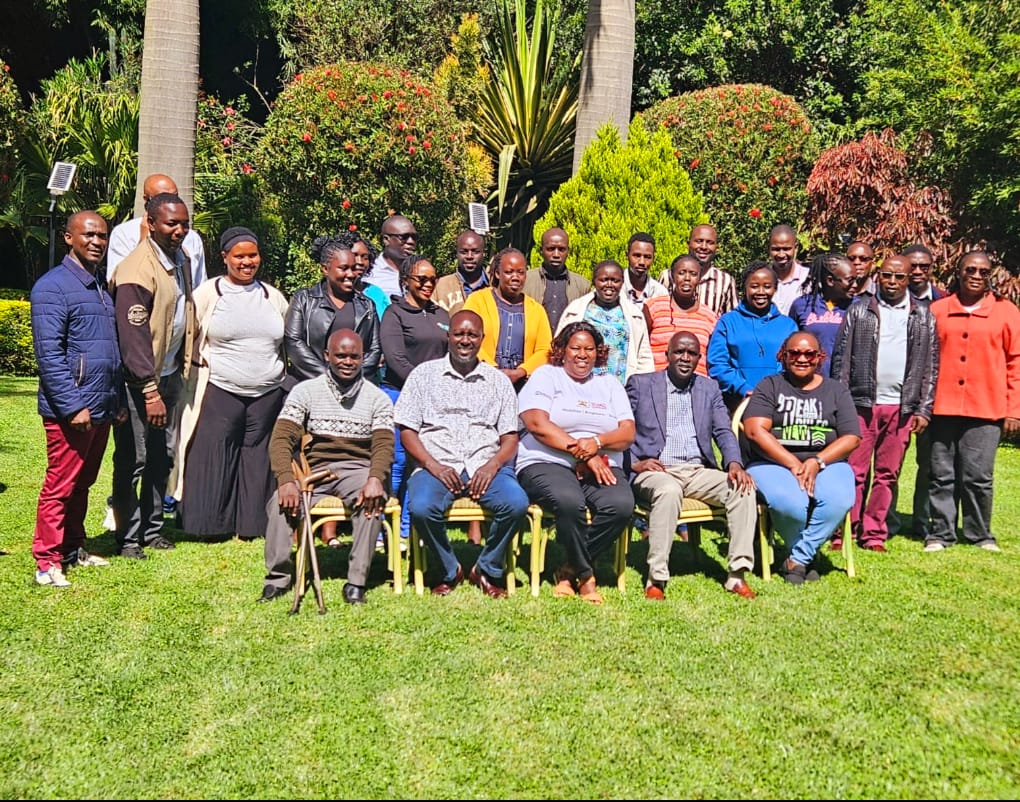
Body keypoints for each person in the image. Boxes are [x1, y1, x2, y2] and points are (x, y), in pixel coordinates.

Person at [394, 310, 530, 599]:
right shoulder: (423, 375)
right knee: (420, 507)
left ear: (482, 338)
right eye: (459, 334)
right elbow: (406, 430)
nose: (465, 340)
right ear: (448, 335)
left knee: (516, 503)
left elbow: (510, 437)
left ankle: (488, 568)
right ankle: (448, 568)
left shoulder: (498, 381)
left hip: (485, 463)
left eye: (472, 335)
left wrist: (493, 466)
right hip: (437, 463)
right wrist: (432, 465)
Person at [260, 329, 394, 605]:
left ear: (363, 358)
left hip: (358, 468)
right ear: (327, 356)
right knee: (279, 502)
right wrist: (286, 479)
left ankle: (356, 582)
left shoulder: (377, 397)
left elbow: (383, 446)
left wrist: (375, 478)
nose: (347, 362)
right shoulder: (306, 391)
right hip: (315, 470)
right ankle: (278, 578)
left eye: (354, 356)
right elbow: (281, 438)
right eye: (341, 355)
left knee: (371, 501)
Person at [172, 227, 289, 541]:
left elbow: (285, 342)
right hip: (219, 389)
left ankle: (253, 525)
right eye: (239, 256)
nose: (247, 262)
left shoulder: (272, 296)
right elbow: (188, 337)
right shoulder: (208, 294)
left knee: (257, 457)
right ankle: (209, 525)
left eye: (252, 255)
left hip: (267, 392)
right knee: (213, 454)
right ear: (225, 258)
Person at [30, 211, 125, 586]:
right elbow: (49, 355)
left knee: (83, 483)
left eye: (102, 235)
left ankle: (72, 548)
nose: (97, 241)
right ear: (69, 238)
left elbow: (108, 349)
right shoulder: (52, 287)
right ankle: (46, 561)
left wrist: (113, 401)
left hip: (100, 406)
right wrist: (72, 406)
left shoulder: (99, 285)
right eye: (88, 235)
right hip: (71, 410)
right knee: (60, 484)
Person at [626, 331, 758, 600]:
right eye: (679, 352)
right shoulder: (641, 384)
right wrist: (635, 463)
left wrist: (733, 463)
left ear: (699, 358)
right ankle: (657, 578)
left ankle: (737, 575)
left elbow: (723, 430)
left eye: (692, 354)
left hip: (698, 471)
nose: (685, 358)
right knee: (669, 491)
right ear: (667, 354)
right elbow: (622, 427)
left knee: (742, 489)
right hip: (656, 470)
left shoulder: (708, 388)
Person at [516, 322, 636, 604]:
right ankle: (587, 576)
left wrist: (598, 443)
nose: (582, 355)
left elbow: (628, 432)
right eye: (575, 348)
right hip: (546, 460)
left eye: (589, 349)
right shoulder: (547, 375)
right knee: (569, 502)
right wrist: (585, 454)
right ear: (561, 351)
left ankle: (570, 569)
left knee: (620, 506)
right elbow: (536, 423)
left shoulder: (609, 384)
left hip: (602, 460)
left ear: (599, 353)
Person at [109, 192, 197, 559]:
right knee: (135, 458)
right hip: (140, 381)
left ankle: (153, 529)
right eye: (171, 224)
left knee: (162, 457)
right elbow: (133, 339)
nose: (179, 231)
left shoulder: (181, 259)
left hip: (170, 373)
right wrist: (149, 390)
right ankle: (128, 538)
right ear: (151, 223)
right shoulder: (135, 270)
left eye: (184, 224)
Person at [830, 254, 939, 552]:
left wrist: (923, 409)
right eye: (887, 276)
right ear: (878, 276)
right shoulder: (860, 311)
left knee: (888, 474)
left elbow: (930, 367)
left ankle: (874, 532)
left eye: (899, 277)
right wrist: (841, 403)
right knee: (854, 471)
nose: (892, 282)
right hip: (861, 405)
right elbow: (841, 361)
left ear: (909, 279)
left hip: (900, 409)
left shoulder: (923, 316)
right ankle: (844, 531)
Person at [742, 331, 861, 584]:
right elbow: (754, 429)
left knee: (839, 499)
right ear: (782, 356)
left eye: (809, 354)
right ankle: (805, 558)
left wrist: (816, 462)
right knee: (791, 503)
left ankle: (797, 559)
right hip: (771, 463)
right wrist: (793, 463)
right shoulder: (770, 385)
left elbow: (852, 437)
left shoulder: (836, 390)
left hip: (826, 463)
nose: (802, 358)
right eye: (794, 353)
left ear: (820, 357)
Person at [924, 251, 1020, 553]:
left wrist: (1014, 409)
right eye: (970, 270)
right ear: (959, 272)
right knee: (941, 473)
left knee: (978, 476)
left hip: (986, 408)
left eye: (983, 271)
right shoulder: (938, 310)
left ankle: (980, 533)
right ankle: (941, 533)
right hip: (943, 407)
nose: (977, 276)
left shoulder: (1006, 312)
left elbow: (1016, 363)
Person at [380, 253, 451, 546]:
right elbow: (395, 357)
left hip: (435, 400)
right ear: (406, 281)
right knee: (397, 461)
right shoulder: (394, 314)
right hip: (400, 394)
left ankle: (408, 529)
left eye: (433, 279)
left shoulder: (441, 315)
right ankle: (385, 528)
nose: (428, 284)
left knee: (419, 463)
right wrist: (425, 387)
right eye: (421, 279)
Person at [284, 235, 381, 382]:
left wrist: (351, 378)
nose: (351, 274)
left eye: (354, 269)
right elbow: (293, 341)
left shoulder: (366, 305)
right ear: (325, 269)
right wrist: (328, 378)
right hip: (308, 384)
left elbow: (374, 348)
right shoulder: (304, 299)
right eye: (343, 268)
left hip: (354, 387)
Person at [707, 261, 798, 411]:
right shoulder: (728, 322)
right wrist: (743, 388)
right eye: (754, 286)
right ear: (745, 288)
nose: (761, 292)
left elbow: (793, 363)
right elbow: (717, 363)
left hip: (779, 402)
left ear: (775, 289)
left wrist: (775, 389)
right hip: (736, 403)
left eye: (767, 286)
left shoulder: (788, 326)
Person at [464, 247, 551, 390]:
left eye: (520, 272)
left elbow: (545, 349)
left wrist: (521, 371)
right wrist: (493, 369)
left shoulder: (537, 310)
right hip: (482, 380)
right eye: (509, 272)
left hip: (522, 385)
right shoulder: (477, 301)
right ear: (497, 273)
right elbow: (467, 338)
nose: (515, 277)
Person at [902, 242, 944, 539]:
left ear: (932, 268)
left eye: (923, 267)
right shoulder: (886, 300)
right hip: (893, 395)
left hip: (929, 396)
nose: (917, 272)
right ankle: (883, 519)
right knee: (888, 467)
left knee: (929, 464)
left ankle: (922, 521)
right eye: (911, 266)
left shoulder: (941, 304)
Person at [555, 260, 654, 384]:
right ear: (594, 282)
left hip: (621, 387)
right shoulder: (575, 310)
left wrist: (641, 386)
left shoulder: (634, 315)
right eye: (603, 280)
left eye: (615, 280)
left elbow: (643, 356)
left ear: (622, 283)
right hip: (580, 384)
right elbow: (559, 349)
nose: (609, 285)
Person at [106, 173, 206, 288]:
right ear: (146, 199)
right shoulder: (124, 234)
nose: (170, 204)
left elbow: (200, 285)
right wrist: (143, 241)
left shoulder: (191, 237)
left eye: (174, 197)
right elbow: (119, 282)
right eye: (161, 198)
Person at [644, 254, 719, 374]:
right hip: (657, 384)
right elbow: (640, 348)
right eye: (681, 273)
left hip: (696, 386)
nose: (687, 278)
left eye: (693, 274)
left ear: (699, 279)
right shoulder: (653, 308)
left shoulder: (710, 317)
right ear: (672, 276)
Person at [788, 252, 856, 377]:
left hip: (844, 386)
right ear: (830, 281)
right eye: (850, 280)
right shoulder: (802, 305)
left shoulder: (858, 308)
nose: (855, 285)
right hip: (808, 382)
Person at [523, 227, 590, 331]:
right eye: (550, 249)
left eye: (561, 249)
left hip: (566, 344)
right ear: (541, 250)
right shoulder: (526, 280)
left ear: (568, 251)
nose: (556, 254)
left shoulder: (582, 285)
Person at [362, 214, 418, 301]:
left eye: (414, 237)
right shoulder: (370, 272)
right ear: (386, 239)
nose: (411, 242)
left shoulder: (418, 270)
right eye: (403, 237)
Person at [688, 223, 738, 315]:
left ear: (716, 248)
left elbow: (732, 320)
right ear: (688, 244)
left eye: (709, 242)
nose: (703, 247)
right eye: (699, 241)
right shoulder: (669, 277)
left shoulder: (726, 281)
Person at [435, 230, 489, 315]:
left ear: (484, 253)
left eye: (475, 252)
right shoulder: (440, 287)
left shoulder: (495, 286)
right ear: (457, 254)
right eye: (464, 252)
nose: (469, 256)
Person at [768, 225, 810, 315]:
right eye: (776, 249)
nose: (781, 254)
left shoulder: (808, 278)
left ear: (796, 247)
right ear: (769, 248)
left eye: (786, 249)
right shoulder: (763, 279)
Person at [623, 232, 668, 305]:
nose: (642, 262)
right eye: (637, 256)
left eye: (647, 257)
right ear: (627, 255)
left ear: (653, 259)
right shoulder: (615, 288)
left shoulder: (660, 293)